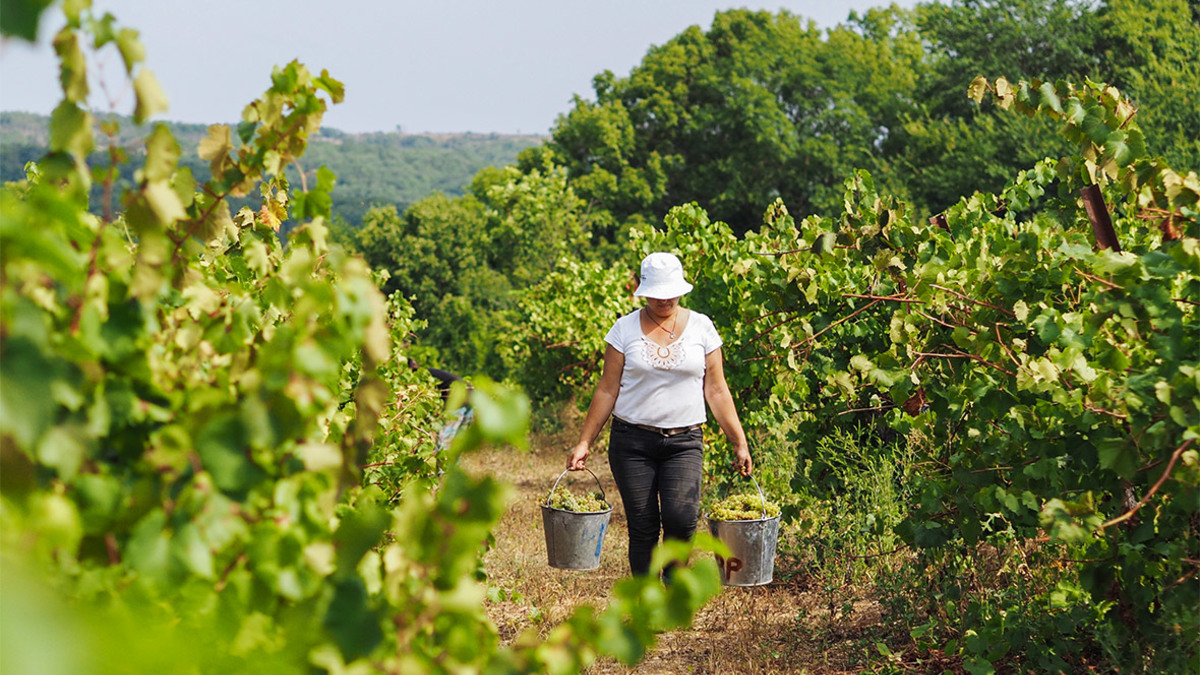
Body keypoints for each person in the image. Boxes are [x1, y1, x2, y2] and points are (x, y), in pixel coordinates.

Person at [566, 251, 752, 577]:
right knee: (643, 525)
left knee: (681, 521)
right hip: (632, 442)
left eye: (670, 292)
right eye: (656, 292)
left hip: (685, 442)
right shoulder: (623, 330)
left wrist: (739, 441)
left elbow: (717, 390)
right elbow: (607, 389)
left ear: (681, 289)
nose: (664, 299)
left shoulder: (702, 328)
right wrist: (584, 442)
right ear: (643, 289)